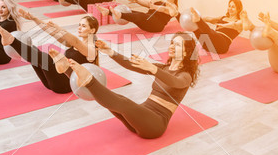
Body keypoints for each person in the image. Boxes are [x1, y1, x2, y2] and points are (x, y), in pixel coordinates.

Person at [67, 31, 199, 139]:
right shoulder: (163, 68)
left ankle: (89, 80)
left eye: (177, 45)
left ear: (186, 52)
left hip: (155, 125)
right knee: (113, 98)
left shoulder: (185, 76)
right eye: (171, 43)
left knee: (123, 102)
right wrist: (110, 51)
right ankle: (69, 72)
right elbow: (130, 65)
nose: (171, 46)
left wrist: (153, 69)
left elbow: (174, 82)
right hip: (138, 119)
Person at [0, 10, 99, 94]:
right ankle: (12, 41)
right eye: (79, 25)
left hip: (65, 85)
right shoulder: (75, 44)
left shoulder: (91, 50)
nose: (79, 28)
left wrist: (58, 28)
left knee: (45, 57)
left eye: (83, 26)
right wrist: (34, 19)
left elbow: (74, 40)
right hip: (52, 82)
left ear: (92, 31)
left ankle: (12, 41)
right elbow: (52, 32)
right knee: (34, 49)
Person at [96, 0, 179, 32]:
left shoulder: (174, 7)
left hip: (156, 26)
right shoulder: (161, 2)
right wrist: (137, 1)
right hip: (148, 21)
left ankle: (119, 14)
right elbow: (148, 4)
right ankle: (108, 12)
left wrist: (155, 7)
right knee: (131, 11)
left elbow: (164, 10)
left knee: (140, 15)